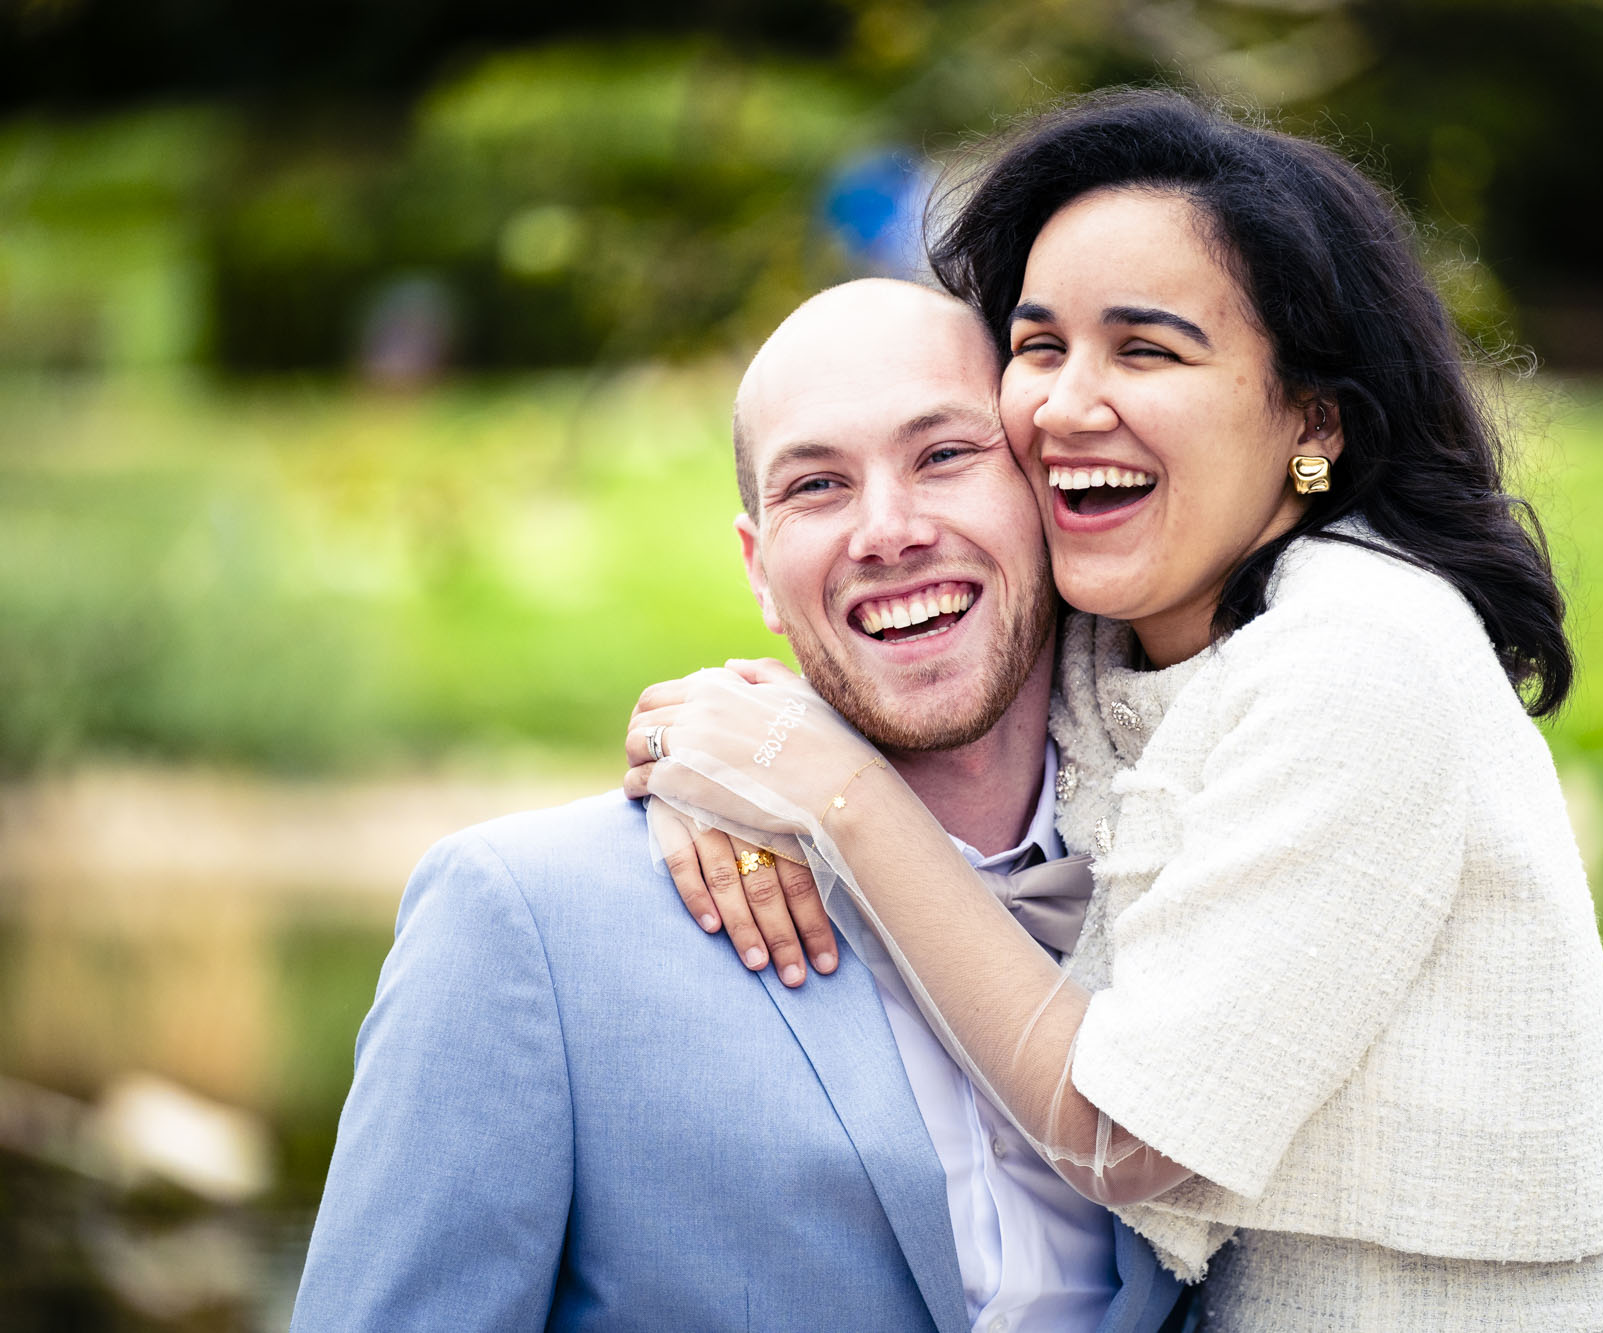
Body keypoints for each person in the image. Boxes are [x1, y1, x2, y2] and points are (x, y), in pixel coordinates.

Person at [628, 90, 1603, 1331]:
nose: (1067, 405)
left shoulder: (1361, 654)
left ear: (1311, 419)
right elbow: (894, 642)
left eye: (1147, 350)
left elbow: (1127, 1139)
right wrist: (706, 764)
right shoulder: (1120, 627)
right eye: (1037, 344)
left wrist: (833, 798)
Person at [290, 279, 1187, 1333]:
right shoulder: (525, 918)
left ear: (1046, 497)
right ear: (760, 571)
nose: (886, 531)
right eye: (815, 485)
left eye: (944, 456)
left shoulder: (1196, 878)